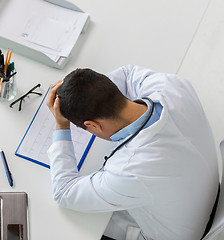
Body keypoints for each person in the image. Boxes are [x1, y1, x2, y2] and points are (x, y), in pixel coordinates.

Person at [46, 65, 219, 240]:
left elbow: (64, 192)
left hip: (182, 232)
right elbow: (127, 74)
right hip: (207, 194)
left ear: (93, 126)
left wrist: (62, 125)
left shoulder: (130, 171)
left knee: (80, 223)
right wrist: (85, 94)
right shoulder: (172, 86)